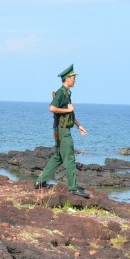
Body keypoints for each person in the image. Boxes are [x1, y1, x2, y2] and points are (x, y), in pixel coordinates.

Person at [34, 65, 90, 198]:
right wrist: (68, 110)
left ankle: (39, 182)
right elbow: (52, 108)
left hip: (62, 129)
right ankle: (73, 188)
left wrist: (79, 126)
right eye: (74, 78)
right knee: (69, 159)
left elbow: (69, 115)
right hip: (63, 132)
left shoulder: (67, 93)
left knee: (58, 157)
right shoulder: (61, 92)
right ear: (67, 79)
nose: (75, 80)